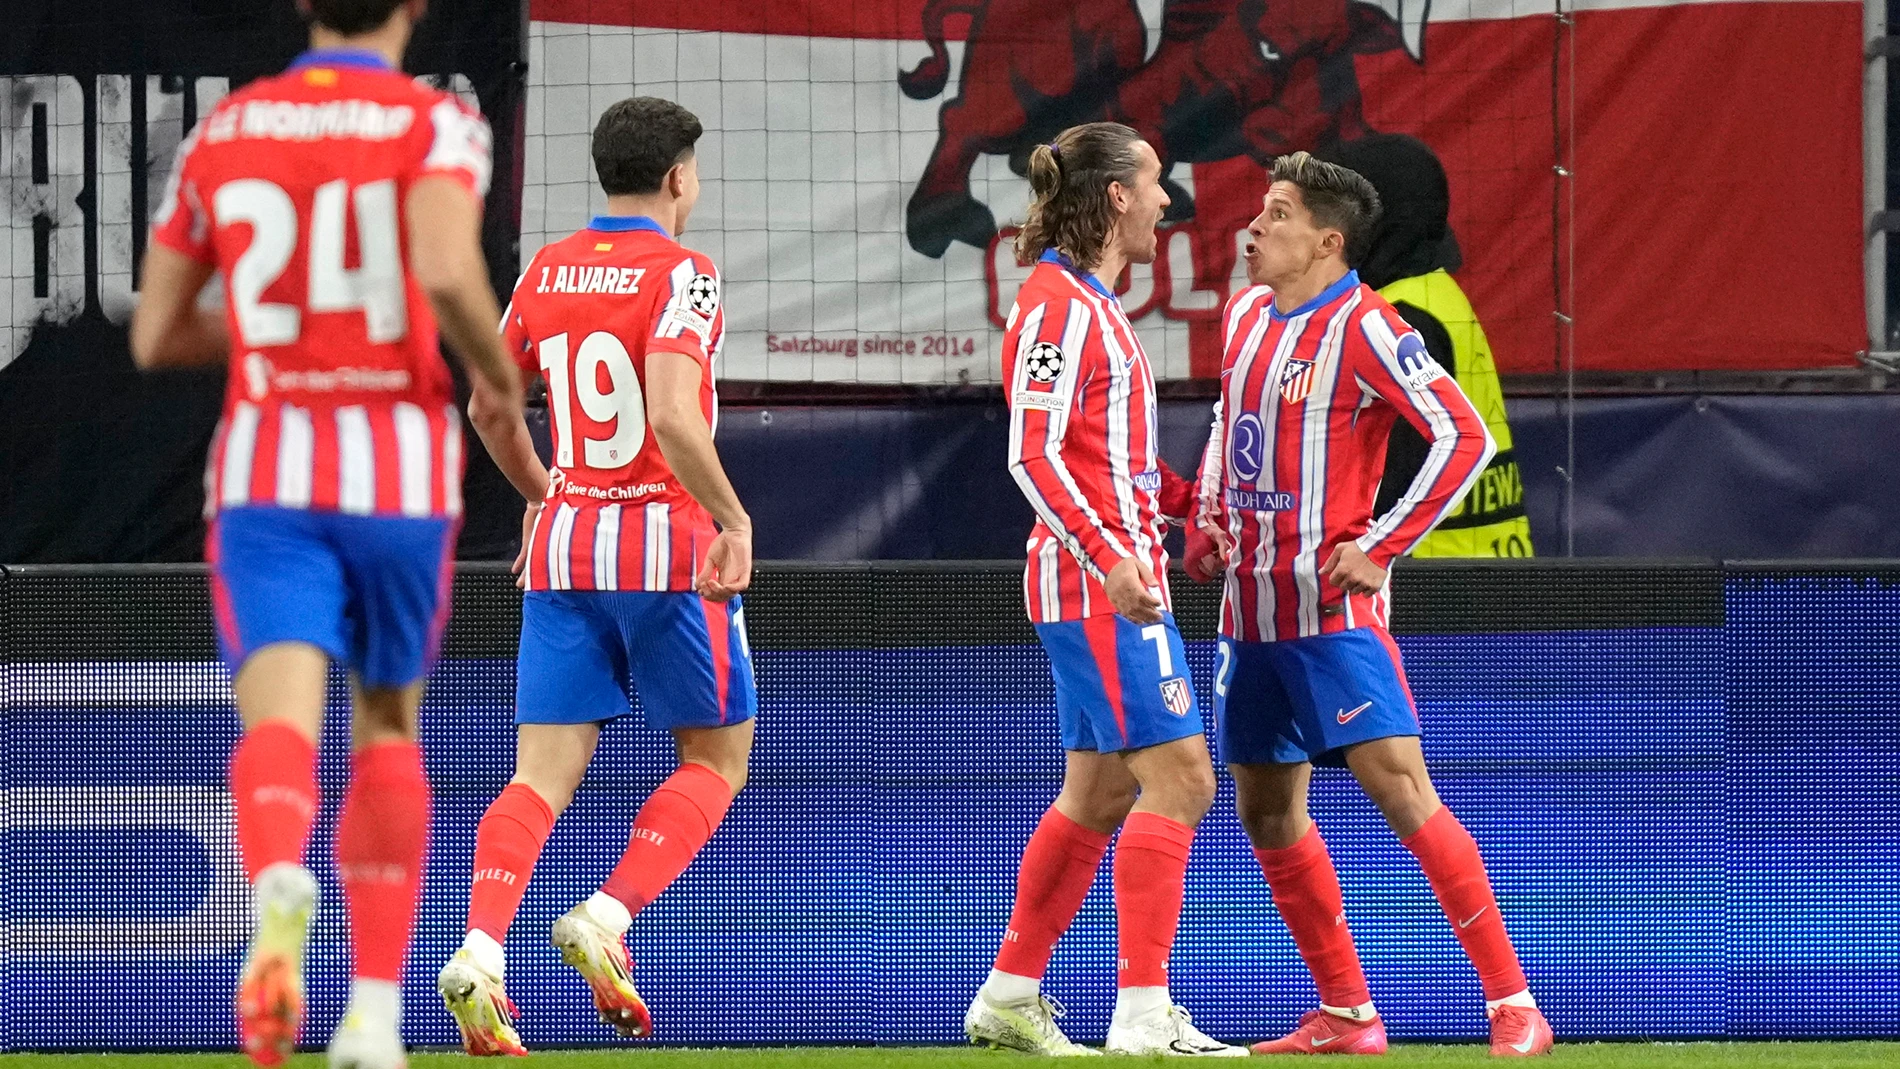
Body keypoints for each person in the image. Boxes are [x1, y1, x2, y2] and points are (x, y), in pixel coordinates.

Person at [129, 2, 518, 1067]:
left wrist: (277, 334)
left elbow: (156, 331)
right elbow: (444, 271)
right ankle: (375, 1016)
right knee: (387, 727)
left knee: (280, 721)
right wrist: (497, 371)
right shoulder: (437, 124)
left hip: (268, 471)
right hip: (397, 471)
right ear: (414, 9)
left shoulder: (227, 131)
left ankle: (275, 886)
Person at [1183, 151, 1553, 1057]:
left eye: (1275, 214)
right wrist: (1203, 518)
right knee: (1266, 811)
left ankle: (1515, 1007)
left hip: (1330, 617)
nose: (1253, 229)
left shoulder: (1370, 326)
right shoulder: (1243, 316)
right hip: (1247, 614)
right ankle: (1347, 1014)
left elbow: (1464, 438)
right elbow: (1231, 425)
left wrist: (1382, 544)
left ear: (1327, 239)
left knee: (1403, 791)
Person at [433, 96, 757, 1056]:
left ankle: (480, 947)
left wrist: (541, 492)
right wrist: (734, 517)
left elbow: (490, 406)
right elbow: (670, 417)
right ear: (677, 178)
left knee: (540, 775)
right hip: (665, 548)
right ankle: (608, 915)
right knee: (715, 759)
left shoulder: (543, 268)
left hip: (566, 544)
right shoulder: (687, 274)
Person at [971, 121, 1244, 1058]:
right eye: (1156, 183)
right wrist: (1113, 559)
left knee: (1094, 796)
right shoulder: (1055, 306)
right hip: (1097, 589)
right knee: (1185, 779)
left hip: (1112, 577)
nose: (1168, 200)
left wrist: (1183, 512)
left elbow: (1105, 460)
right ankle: (1141, 1014)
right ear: (1118, 196)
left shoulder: (1089, 302)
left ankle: (1008, 996)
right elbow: (1032, 454)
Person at [1316, 134, 1533, 558]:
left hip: (1434, 577)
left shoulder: (1398, 318)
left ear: (1375, 220)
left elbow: (1395, 472)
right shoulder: (1435, 292)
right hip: (1485, 561)